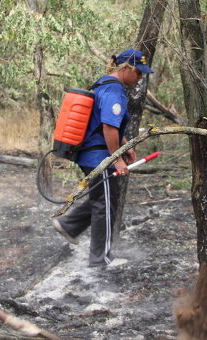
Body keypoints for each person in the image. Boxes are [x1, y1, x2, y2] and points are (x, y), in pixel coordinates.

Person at [52, 49, 154, 267]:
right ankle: (101, 259)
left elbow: (105, 121)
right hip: (99, 156)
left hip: (92, 154)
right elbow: (108, 125)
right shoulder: (114, 90)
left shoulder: (103, 84)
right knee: (105, 205)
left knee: (103, 199)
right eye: (138, 72)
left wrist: (124, 144)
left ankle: (69, 225)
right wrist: (117, 158)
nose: (140, 78)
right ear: (126, 68)